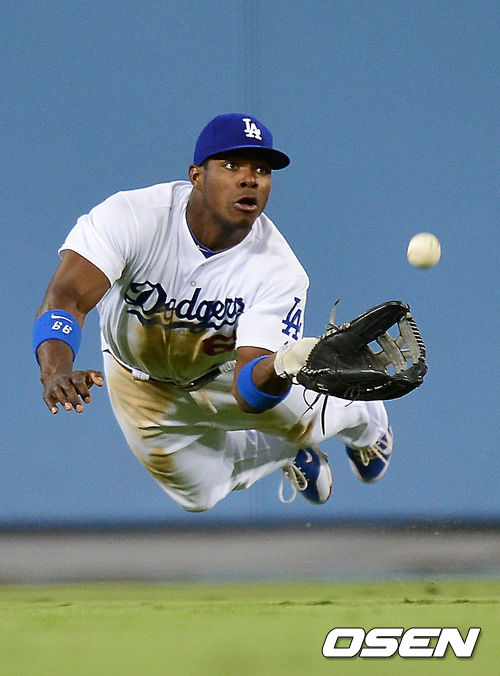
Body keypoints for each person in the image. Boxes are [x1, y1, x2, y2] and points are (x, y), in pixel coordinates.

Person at [33, 113, 392, 512]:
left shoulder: (278, 270)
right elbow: (66, 299)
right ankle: (287, 453)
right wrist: (56, 371)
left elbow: (250, 394)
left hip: (225, 371)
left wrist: (284, 365)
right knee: (199, 496)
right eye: (232, 165)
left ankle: (366, 420)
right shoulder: (132, 217)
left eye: (262, 170)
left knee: (310, 419)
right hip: (138, 383)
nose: (249, 179)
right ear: (197, 176)